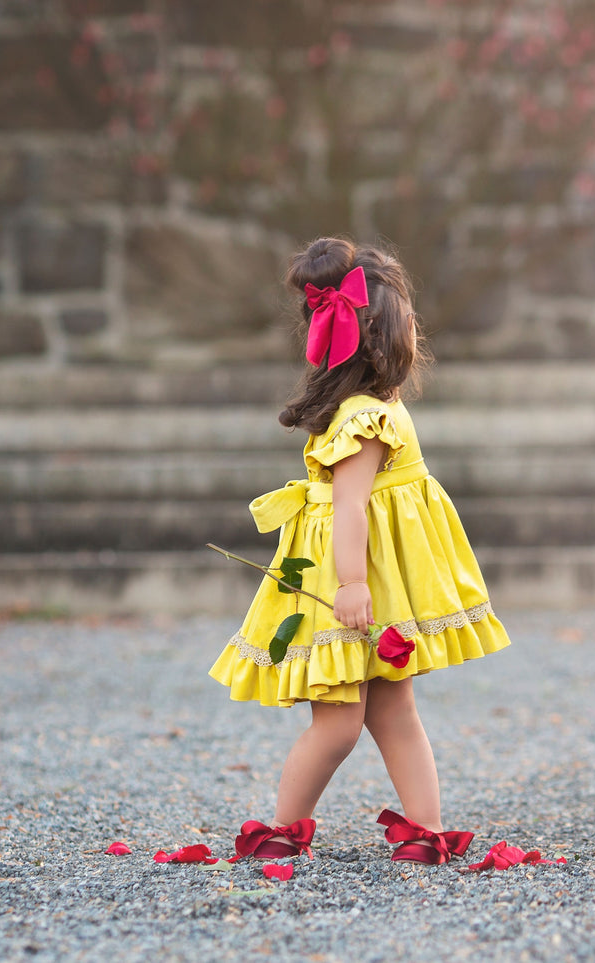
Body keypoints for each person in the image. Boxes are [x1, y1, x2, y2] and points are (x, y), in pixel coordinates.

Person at [208, 236, 512, 864]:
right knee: (339, 722)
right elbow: (349, 507)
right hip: (350, 581)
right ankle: (281, 830)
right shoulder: (362, 418)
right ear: (384, 334)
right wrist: (351, 585)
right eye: (408, 318)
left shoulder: (376, 406)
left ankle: (425, 831)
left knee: (395, 705)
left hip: (374, 578)